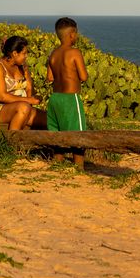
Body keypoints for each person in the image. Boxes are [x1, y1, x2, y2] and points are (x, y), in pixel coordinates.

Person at [46, 17, 88, 169]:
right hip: (71, 99)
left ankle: (58, 162)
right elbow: (83, 76)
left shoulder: (53, 54)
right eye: (76, 34)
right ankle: (78, 166)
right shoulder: (75, 52)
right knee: (78, 134)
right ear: (72, 34)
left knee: (57, 133)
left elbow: (49, 78)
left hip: (55, 99)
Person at [0, 35, 47, 131]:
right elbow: (2, 96)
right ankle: (12, 142)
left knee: (49, 119)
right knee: (23, 108)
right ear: (14, 53)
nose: (26, 56)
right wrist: (29, 100)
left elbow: (29, 90)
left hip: (23, 107)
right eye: (24, 53)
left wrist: (26, 73)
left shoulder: (21, 66)